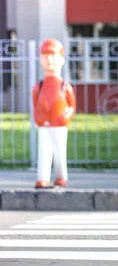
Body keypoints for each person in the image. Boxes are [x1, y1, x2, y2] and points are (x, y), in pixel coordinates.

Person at [32, 39, 76, 189]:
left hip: (59, 125)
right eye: (46, 56)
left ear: (61, 60)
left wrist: (66, 117)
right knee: (44, 151)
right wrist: (38, 118)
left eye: (53, 56)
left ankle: (61, 176)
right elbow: (35, 105)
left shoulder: (65, 86)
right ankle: (42, 177)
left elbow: (72, 106)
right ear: (41, 61)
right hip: (44, 125)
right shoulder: (39, 86)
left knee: (59, 152)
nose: (49, 60)